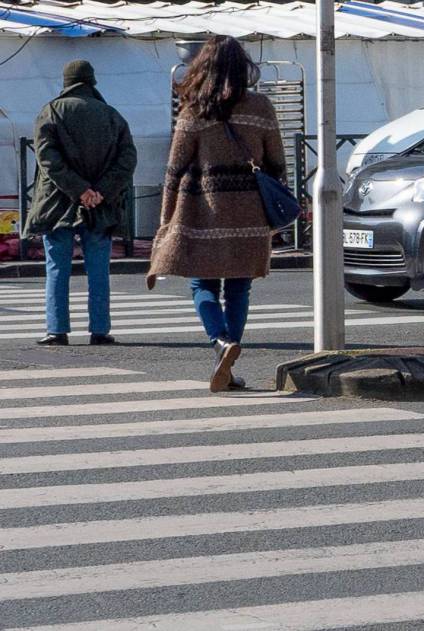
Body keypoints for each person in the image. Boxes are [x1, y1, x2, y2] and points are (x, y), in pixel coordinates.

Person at [146, 36, 286, 393]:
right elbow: (277, 165)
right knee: (240, 288)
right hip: (250, 215)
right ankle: (227, 363)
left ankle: (221, 342)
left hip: (203, 214)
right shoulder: (261, 107)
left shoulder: (193, 110)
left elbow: (174, 171)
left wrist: (165, 223)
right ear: (244, 69)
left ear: (202, 67)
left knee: (202, 284)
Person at [23, 60, 136, 346]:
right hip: (101, 205)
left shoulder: (50, 112)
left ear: (66, 82)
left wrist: (79, 189)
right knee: (98, 269)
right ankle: (100, 329)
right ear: (92, 82)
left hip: (56, 203)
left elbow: (48, 160)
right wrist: (99, 191)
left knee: (57, 267)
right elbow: (127, 160)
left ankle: (56, 329)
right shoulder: (112, 116)